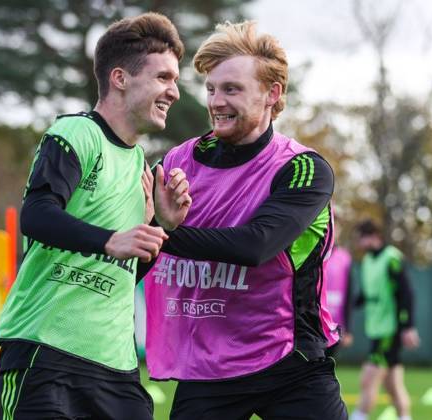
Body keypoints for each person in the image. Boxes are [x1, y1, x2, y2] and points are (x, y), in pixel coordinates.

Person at [144, 21, 347, 419]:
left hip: (289, 363)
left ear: (272, 94)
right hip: (207, 367)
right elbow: (137, 245)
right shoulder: (176, 162)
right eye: (211, 89)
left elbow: (256, 245)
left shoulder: (302, 168)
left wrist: (166, 231)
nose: (217, 102)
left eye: (232, 89)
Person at [0, 12, 191, 420]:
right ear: (120, 78)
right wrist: (110, 239)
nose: (174, 91)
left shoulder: (141, 167)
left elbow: (124, 271)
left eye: (175, 79)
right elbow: (37, 215)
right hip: (45, 350)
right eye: (163, 77)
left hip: (115, 366)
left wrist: (162, 226)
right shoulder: (76, 133)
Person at [350, 219, 419, 420]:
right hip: (376, 328)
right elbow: (365, 294)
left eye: (361, 239)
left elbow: (406, 294)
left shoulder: (392, 258)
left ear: (374, 237)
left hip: (389, 330)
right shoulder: (367, 261)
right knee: (393, 386)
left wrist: (408, 327)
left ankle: (358, 416)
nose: (358, 244)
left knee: (368, 379)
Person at [321, 233, 354, 350]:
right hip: (315, 325)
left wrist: (348, 330)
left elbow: (349, 294)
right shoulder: (314, 254)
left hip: (336, 327)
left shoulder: (345, 258)